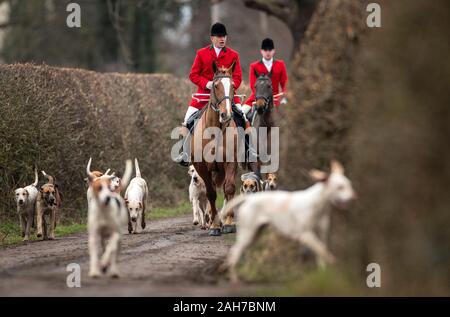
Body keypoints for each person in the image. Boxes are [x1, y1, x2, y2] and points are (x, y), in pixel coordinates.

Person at [175, 22, 243, 166]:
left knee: (243, 117)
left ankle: (247, 152)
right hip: (203, 98)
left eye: (224, 36)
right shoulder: (202, 53)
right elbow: (193, 75)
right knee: (187, 121)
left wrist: (227, 86)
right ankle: (185, 153)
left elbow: (237, 77)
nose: (222, 39)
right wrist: (207, 83)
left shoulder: (233, 55)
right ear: (212, 38)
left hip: (227, 98)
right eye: (219, 36)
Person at [243, 38, 288, 114]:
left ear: (273, 51)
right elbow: (253, 86)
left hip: (276, 98)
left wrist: (283, 98)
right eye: (265, 50)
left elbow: (285, 84)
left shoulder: (280, 64)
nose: (267, 52)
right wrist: (260, 98)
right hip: (257, 97)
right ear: (261, 51)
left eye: (270, 50)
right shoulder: (254, 66)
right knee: (241, 113)